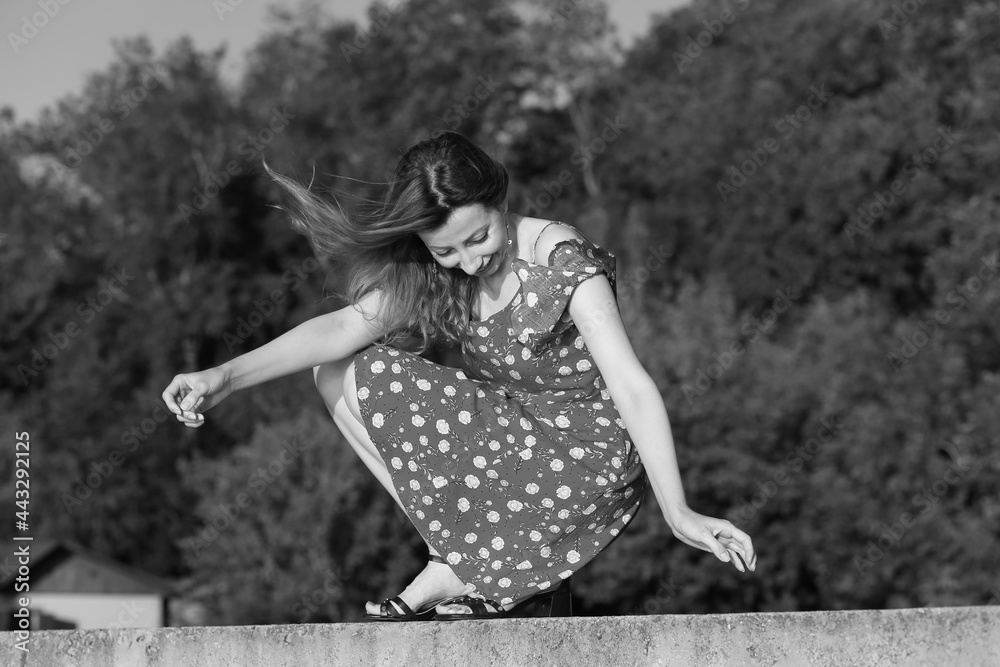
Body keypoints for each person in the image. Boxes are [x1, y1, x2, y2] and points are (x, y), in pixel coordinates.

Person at [161, 131, 756, 621]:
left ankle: (461, 564)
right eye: (448, 251)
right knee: (341, 370)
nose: (471, 261)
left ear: (500, 200)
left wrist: (678, 511)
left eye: (480, 237)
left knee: (361, 370)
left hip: (592, 455)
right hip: (521, 437)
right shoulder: (440, 270)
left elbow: (630, 384)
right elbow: (342, 329)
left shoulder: (561, 259)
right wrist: (224, 376)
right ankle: (454, 557)